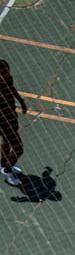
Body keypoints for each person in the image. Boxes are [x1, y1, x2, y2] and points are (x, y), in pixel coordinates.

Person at [0, 60, 27, 188]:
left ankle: (3, 163)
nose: (7, 74)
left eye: (7, 71)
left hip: (11, 114)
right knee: (18, 147)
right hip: (2, 119)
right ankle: (7, 171)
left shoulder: (8, 79)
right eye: (4, 72)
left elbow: (11, 88)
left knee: (6, 141)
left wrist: (21, 101)